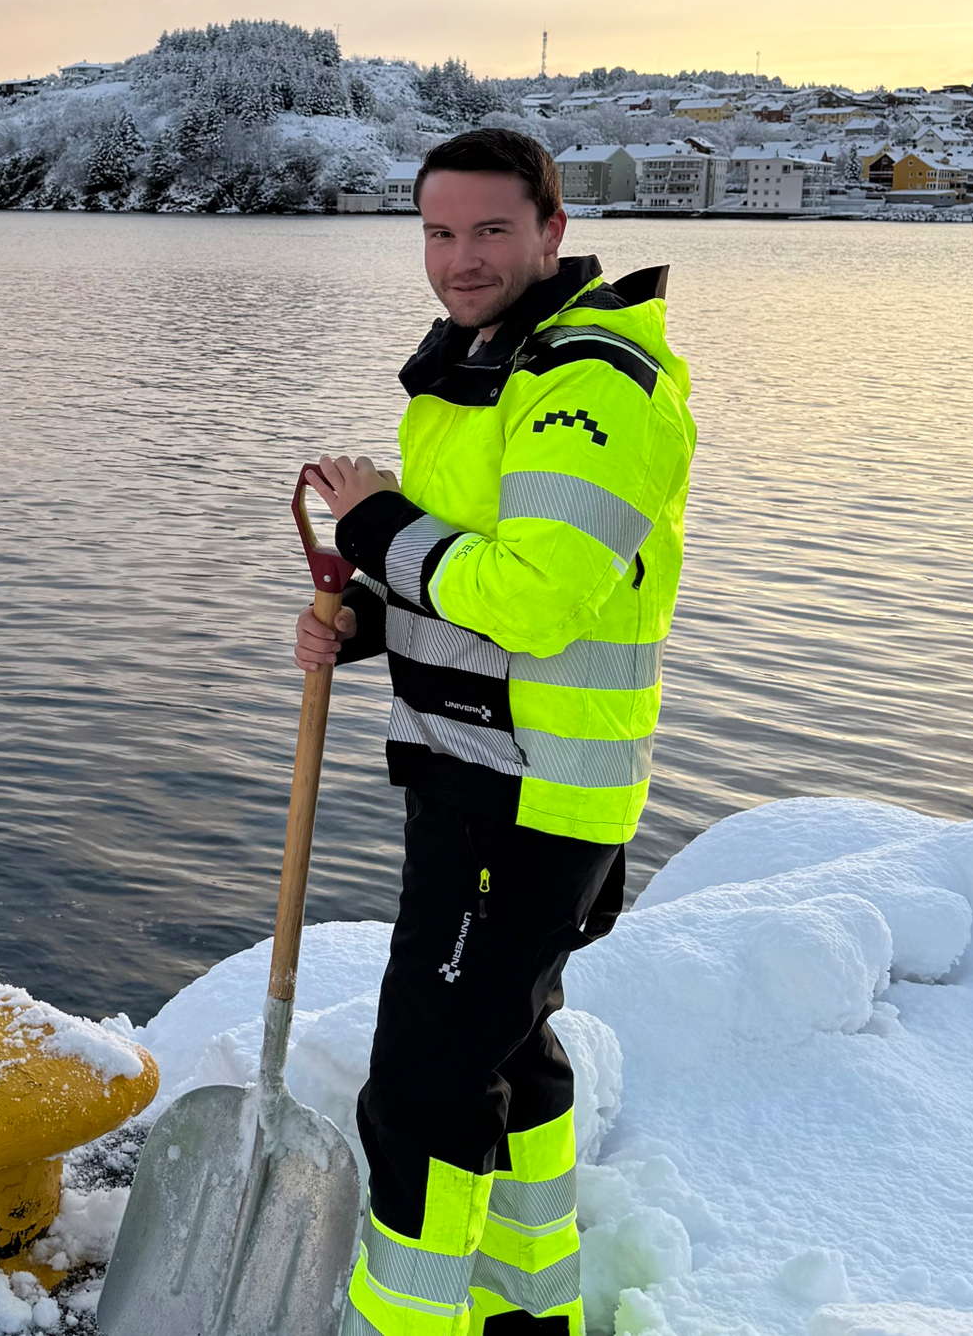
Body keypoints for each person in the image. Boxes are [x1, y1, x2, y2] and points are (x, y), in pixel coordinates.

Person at [295, 128, 697, 1336]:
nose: (458, 259)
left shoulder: (587, 386)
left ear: (550, 232)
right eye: (435, 231)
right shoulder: (484, 368)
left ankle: (411, 1320)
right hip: (477, 776)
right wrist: (365, 620)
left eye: (487, 231)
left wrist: (371, 527)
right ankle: (532, 1310)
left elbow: (530, 599)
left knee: (419, 1093)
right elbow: (477, 582)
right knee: (507, 1061)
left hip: (528, 798)